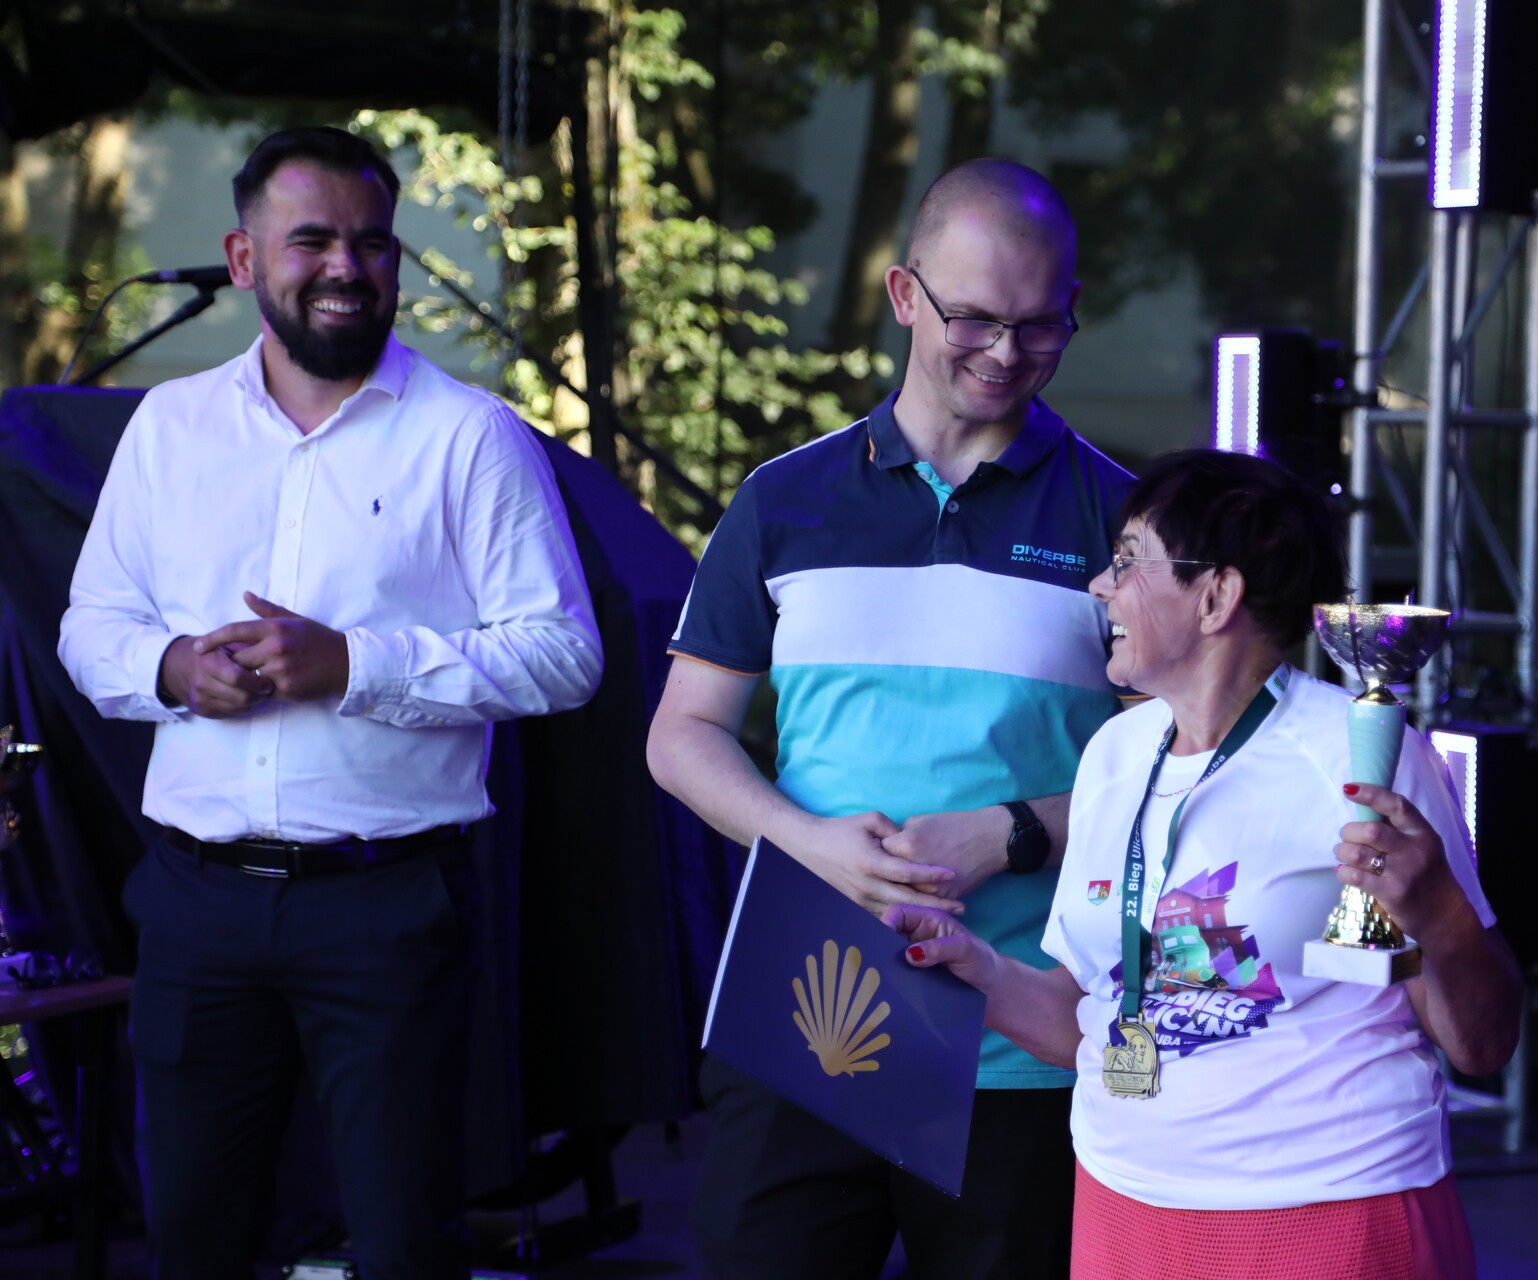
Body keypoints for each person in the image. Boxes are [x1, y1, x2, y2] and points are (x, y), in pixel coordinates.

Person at [58, 126, 602, 1280]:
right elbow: (90, 625)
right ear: (243, 260)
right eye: (311, 240)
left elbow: (564, 654)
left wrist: (356, 665)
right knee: (192, 1239)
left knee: (405, 1244)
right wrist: (174, 670)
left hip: (386, 902)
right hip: (198, 900)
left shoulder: (471, 435)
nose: (346, 267)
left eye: (372, 243)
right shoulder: (169, 427)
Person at [646, 158, 1133, 1279]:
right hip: (807, 1014)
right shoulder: (782, 499)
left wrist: (1012, 830)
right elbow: (681, 735)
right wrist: (808, 842)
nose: (1006, 352)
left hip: (1024, 1034)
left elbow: (1179, 775)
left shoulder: (1123, 519)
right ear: (905, 295)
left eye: (1040, 325)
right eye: (975, 319)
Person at [889, 449, 1523, 1280]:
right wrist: (971, 965)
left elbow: (1483, 1045)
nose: (1100, 586)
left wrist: (1439, 915)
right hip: (1122, 1205)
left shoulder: (1358, 752)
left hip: (1330, 1211)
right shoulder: (1114, 754)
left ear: (1216, 596)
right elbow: (1090, 1019)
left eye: (1128, 561)